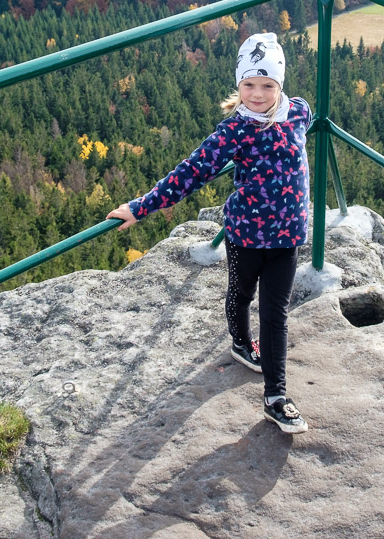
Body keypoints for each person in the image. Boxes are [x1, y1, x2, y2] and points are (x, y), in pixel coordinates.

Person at [107, 32, 311, 434]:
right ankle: (239, 343)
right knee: (240, 293)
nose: (257, 93)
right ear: (238, 85)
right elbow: (189, 173)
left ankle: (275, 397)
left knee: (276, 315)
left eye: (267, 85)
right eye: (249, 84)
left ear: (280, 85)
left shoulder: (298, 112)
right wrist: (140, 206)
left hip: (288, 237)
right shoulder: (232, 131)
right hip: (246, 235)